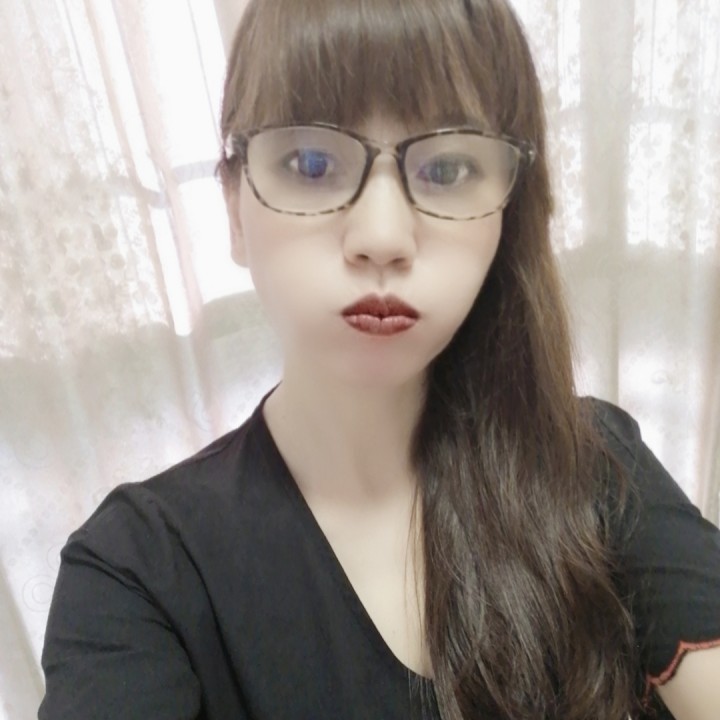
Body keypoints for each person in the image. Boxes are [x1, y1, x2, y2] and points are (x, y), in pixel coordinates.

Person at [38, 0, 720, 718]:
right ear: (234, 209)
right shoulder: (136, 573)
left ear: (508, 209)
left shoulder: (594, 466)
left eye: (448, 168)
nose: (383, 237)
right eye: (311, 163)